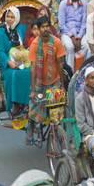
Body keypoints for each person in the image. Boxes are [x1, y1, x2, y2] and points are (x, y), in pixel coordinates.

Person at [28, 15, 66, 143]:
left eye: (47, 26)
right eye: (42, 27)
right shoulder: (34, 44)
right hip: (40, 84)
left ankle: (56, 133)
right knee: (35, 108)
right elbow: (33, 69)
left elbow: (61, 65)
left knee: (57, 115)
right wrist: (33, 90)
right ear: (38, 29)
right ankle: (34, 129)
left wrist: (62, 84)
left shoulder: (56, 42)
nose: (45, 29)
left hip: (54, 81)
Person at [0, 6, 31, 115]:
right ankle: (15, 104)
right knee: (14, 74)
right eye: (8, 17)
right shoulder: (1, 31)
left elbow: (27, 43)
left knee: (28, 73)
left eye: (12, 17)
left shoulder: (21, 29)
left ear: (17, 18)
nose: (10, 19)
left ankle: (26, 103)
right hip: (6, 63)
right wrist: (8, 62)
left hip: (22, 60)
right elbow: (0, 51)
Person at [58, 0, 88, 70]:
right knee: (69, 47)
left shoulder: (84, 4)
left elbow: (84, 23)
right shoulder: (63, 4)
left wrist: (79, 37)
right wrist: (72, 37)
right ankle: (70, 72)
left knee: (86, 45)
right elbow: (62, 24)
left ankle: (82, 70)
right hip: (67, 33)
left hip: (81, 33)